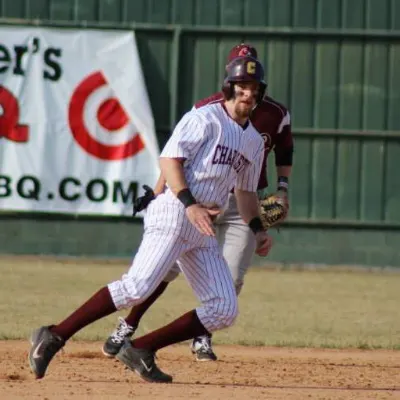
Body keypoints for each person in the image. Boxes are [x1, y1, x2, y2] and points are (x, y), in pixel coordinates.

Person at [28, 55, 273, 383]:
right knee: (137, 287)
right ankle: (54, 335)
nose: (247, 93)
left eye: (253, 88)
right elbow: (169, 161)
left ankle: (141, 348)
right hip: (174, 210)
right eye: (242, 85)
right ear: (229, 87)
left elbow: (245, 194)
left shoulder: (255, 141)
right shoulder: (204, 118)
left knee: (224, 309)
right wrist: (189, 203)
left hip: (201, 227)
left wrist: (257, 229)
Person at [101, 44, 294, 362]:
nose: (246, 85)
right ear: (230, 76)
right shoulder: (207, 109)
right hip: (198, 198)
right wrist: (159, 191)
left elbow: (285, 151)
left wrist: (282, 189)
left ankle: (202, 338)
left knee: (230, 281)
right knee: (161, 272)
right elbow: (175, 154)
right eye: (239, 73)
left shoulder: (276, 113)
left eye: (252, 77)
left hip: (242, 202)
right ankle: (128, 325)